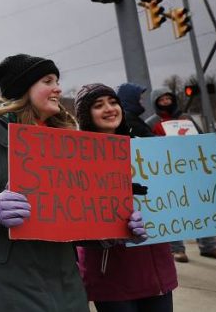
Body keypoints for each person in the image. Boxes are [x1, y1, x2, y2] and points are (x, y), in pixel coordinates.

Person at [0, 54, 147, 312]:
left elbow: (77, 219)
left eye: (57, 81)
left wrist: (117, 230)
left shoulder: (69, 141)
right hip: (11, 280)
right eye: (48, 81)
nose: (58, 88)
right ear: (24, 88)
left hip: (66, 281)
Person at [74, 83, 176, 312]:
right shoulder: (76, 159)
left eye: (113, 102)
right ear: (86, 116)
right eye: (99, 105)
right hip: (111, 273)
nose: (110, 109)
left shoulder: (145, 148)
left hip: (155, 270)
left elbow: (182, 188)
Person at [145, 89, 216, 262]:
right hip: (167, 172)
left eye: (168, 98)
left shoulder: (186, 118)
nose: (166, 101)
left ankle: (209, 246)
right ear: (156, 102)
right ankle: (176, 249)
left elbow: (202, 139)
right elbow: (148, 146)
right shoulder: (152, 122)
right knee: (174, 210)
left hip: (192, 169)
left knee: (202, 207)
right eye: (162, 99)